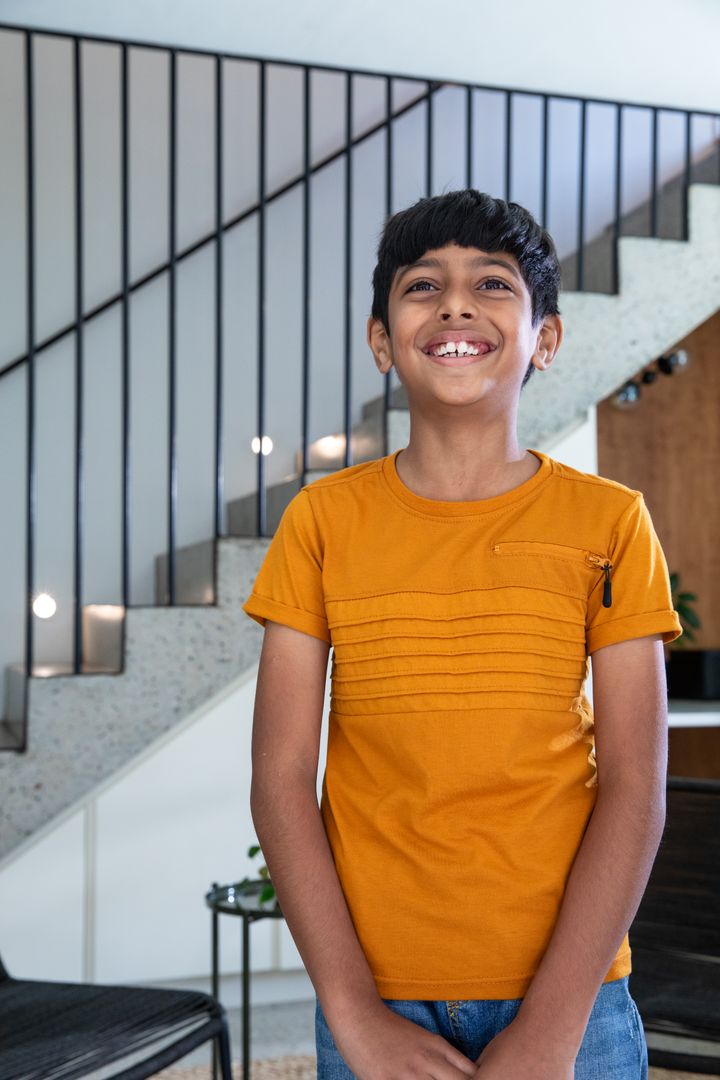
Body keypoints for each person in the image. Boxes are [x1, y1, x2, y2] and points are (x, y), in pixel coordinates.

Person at [242, 189, 683, 1079]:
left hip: (575, 999)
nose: (455, 303)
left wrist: (553, 1028)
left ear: (545, 340)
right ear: (381, 340)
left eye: (493, 283)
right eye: (421, 286)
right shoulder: (320, 523)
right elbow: (281, 778)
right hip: (374, 992)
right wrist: (352, 1012)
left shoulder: (611, 522)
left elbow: (636, 784)